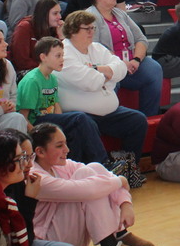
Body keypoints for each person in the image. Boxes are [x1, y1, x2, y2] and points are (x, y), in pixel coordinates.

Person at [31, 123, 157, 246]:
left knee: (94, 167)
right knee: (88, 181)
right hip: (52, 244)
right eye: (59, 145)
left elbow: (103, 176)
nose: (67, 149)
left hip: (71, 238)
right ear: (40, 152)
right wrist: (120, 181)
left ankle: (119, 234)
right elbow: (89, 190)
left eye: (66, 144)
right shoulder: (35, 177)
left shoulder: (60, 165)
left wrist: (125, 203)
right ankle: (109, 245)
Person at [57, 11, 148, 163]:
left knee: (138, 121)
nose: (92, 32)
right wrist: (108, 75)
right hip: (81, 114)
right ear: (72, 31)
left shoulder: (97, 48)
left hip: (108, 112)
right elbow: (90, 82)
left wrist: (97, 69)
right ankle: (102, 171)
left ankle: (129, 169)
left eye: (93, 28)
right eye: (87, 29)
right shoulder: (64, 53)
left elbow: (121, 69)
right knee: (86, 124)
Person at [16, 36, 109, 165]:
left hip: (49, 119)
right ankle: (102, 162)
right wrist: (36, 134)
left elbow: (56, 106)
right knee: (80, 118)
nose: (62, 59)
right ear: (43, 57)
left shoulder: (53, 78)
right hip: (36, 123)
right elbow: (23, 116)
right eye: (58, 56)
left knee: (76, 129)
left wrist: (59, 130)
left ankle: (77, 168)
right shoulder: (32, 81)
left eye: (62, 55)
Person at [86, 0, 163, 116]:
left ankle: (150, 117)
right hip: (109, 65)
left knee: (154, 69)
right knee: (111, 77)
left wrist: (137, 59)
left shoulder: (120, 13)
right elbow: (94, 48)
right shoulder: (89, 17)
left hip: (131, 62)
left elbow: (141, 39)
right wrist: (120, 64)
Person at [10, 0, 64, 75]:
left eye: (60, 13)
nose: (60, 17)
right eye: (55, 13)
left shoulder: (54, 30)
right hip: (25, 71)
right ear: (44, 14)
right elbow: (21, 61)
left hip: (46, 68)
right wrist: (46, 66)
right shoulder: (25, 27)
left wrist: (61, 37)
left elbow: (60, 56)